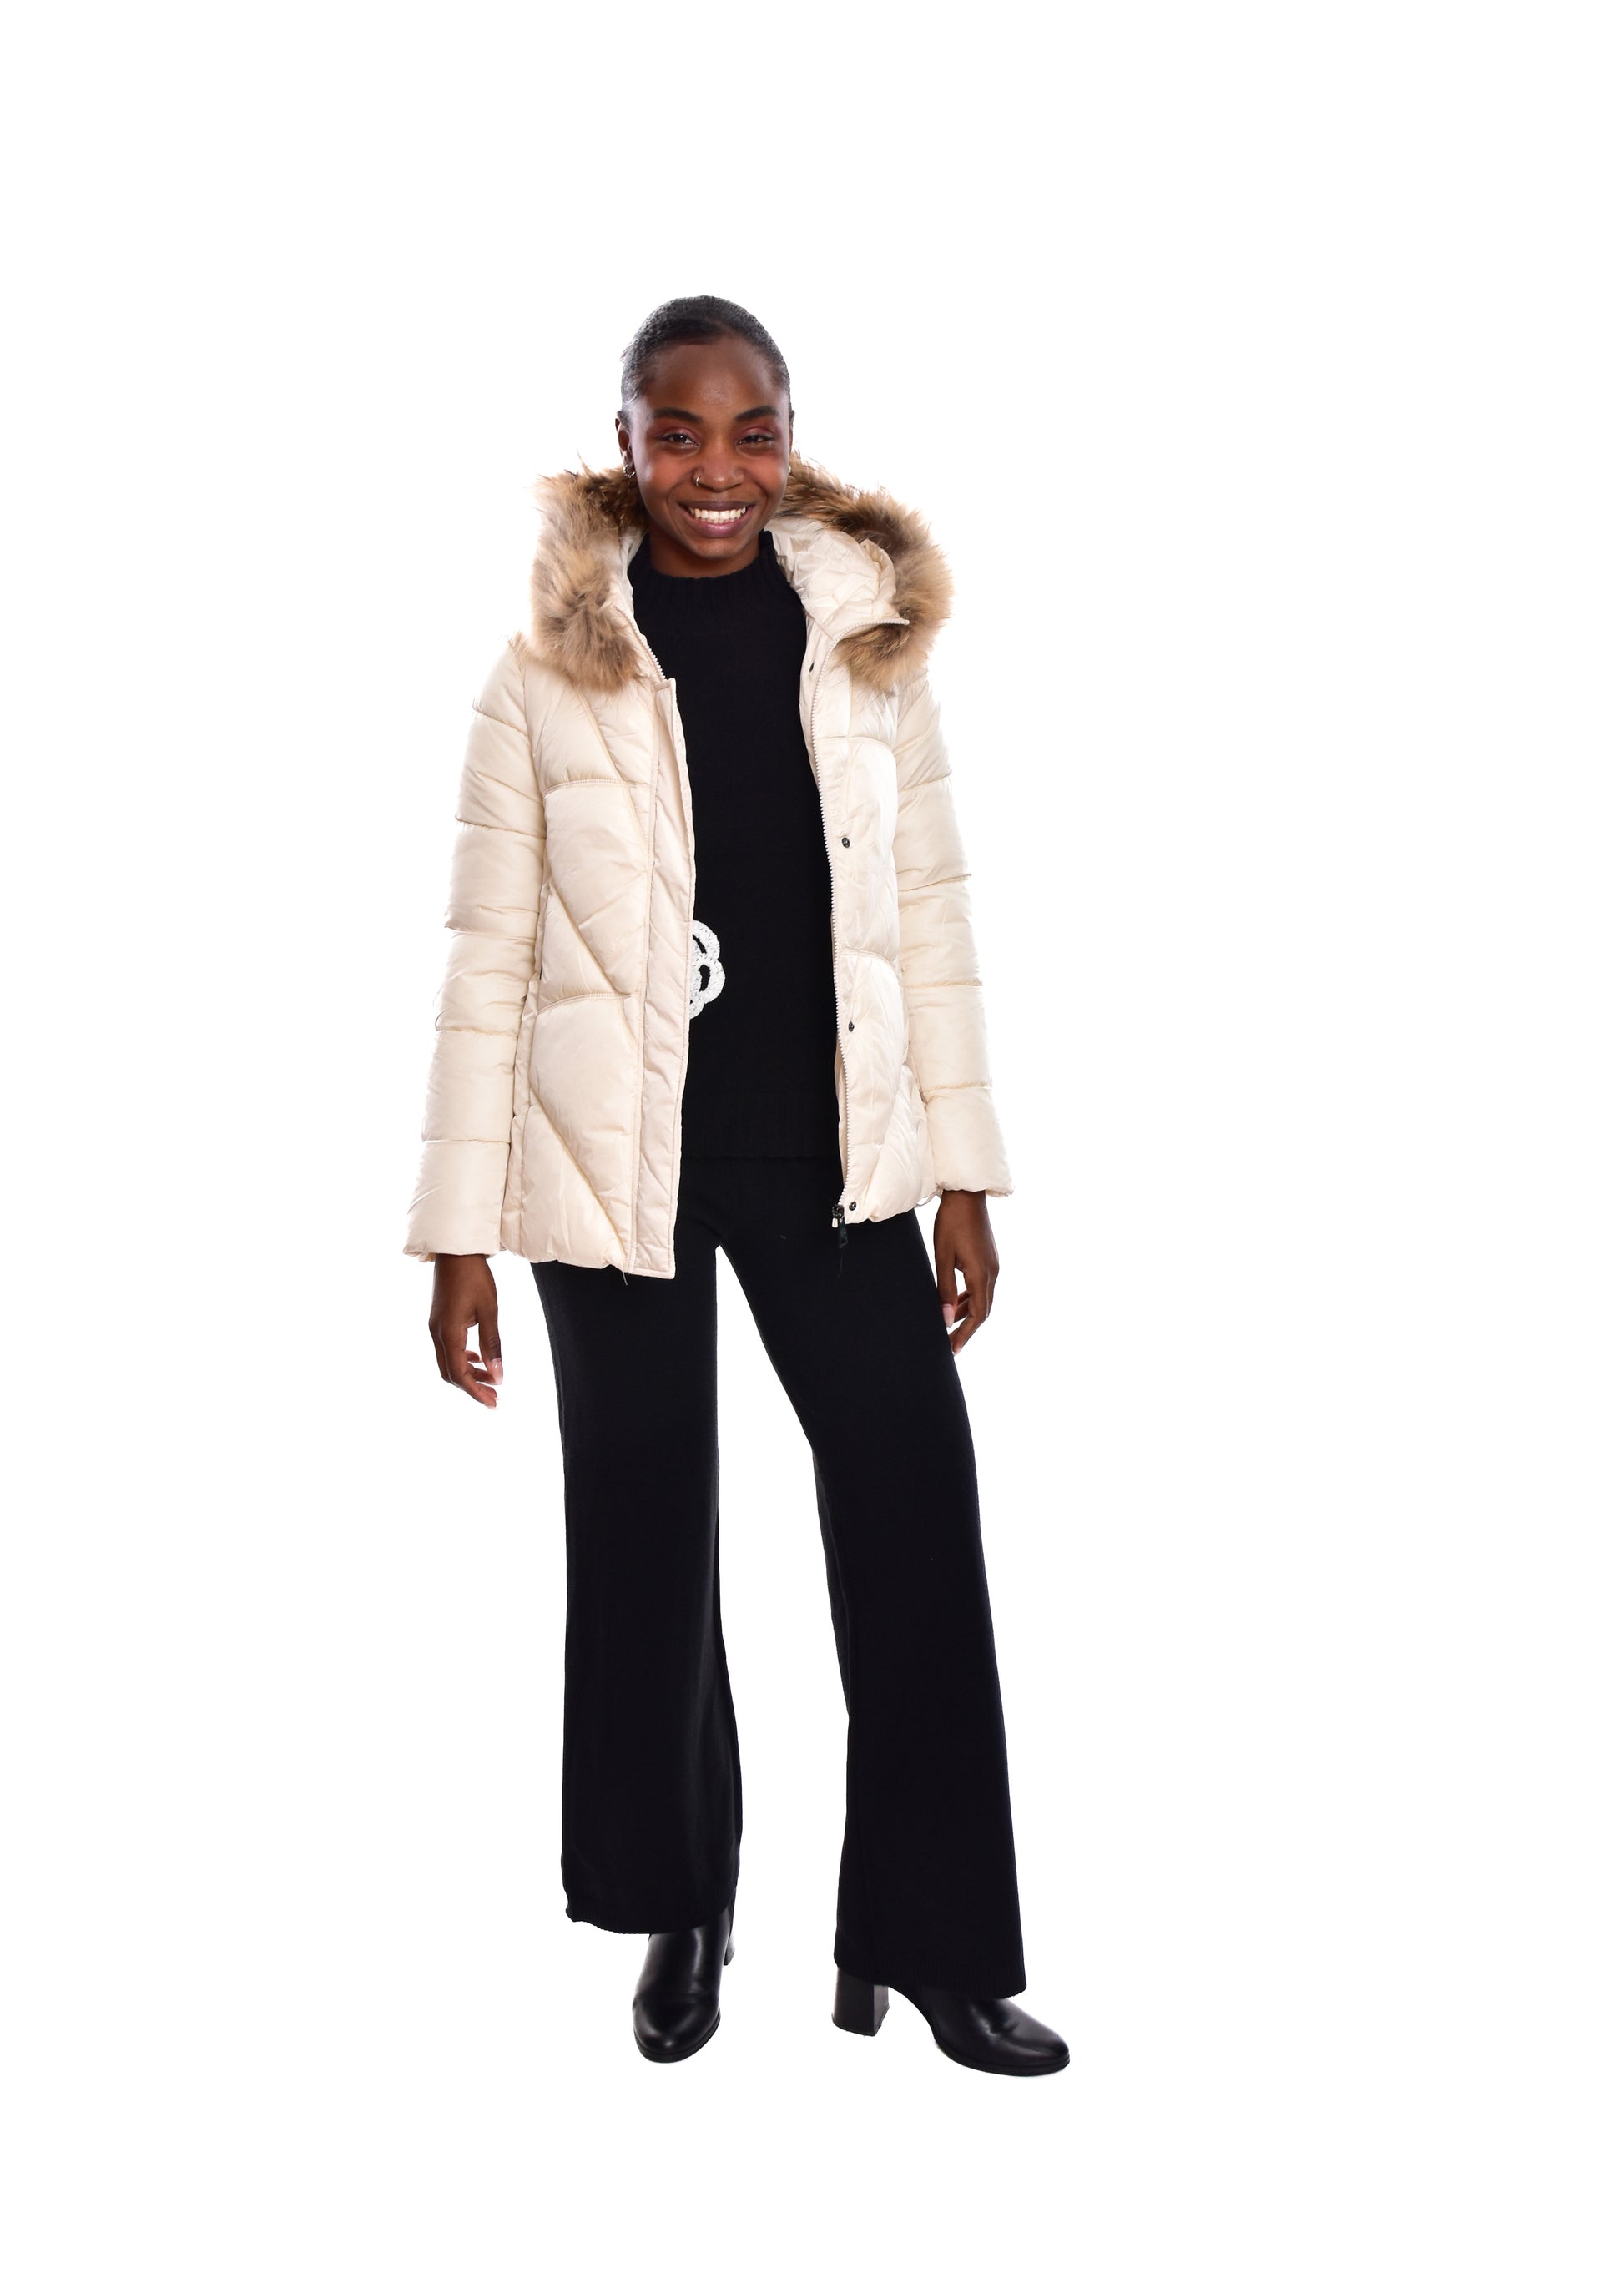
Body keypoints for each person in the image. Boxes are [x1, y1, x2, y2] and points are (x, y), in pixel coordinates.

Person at [406, 295, 1067, 2078]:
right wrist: (456, 1235)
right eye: (677, 430)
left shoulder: (868, 645)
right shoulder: (542, 670)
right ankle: (678, 1904)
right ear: (623, 438)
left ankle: (932, 1945)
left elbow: (930, 920)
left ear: (790, 433)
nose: (718, 468)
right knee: (643, 1537)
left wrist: (963, 1176)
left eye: (751, 429)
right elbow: (485, 962)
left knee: (914, 1520)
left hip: (830, 1161)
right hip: (605, 1168)